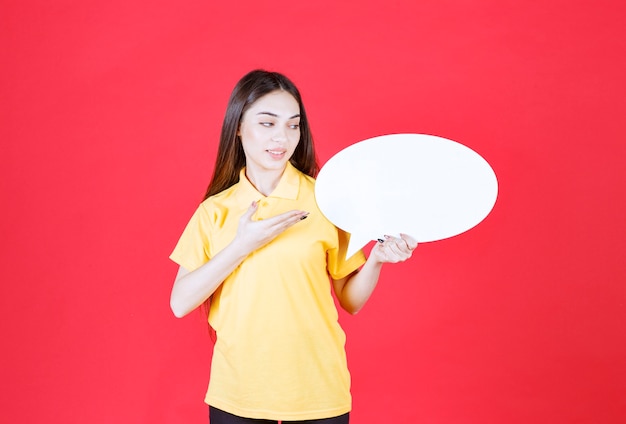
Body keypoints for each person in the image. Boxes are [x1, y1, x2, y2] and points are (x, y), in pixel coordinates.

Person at [169, 70, 417, 424]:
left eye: (293, 125)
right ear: (238, 127)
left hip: (317, 388)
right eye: (267, 123)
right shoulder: (216, 211)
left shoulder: (326, 201)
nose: (282, 138)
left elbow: (350, 301)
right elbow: (180, 303)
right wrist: (242, 246)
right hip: (239, 393)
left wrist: (376, 259)